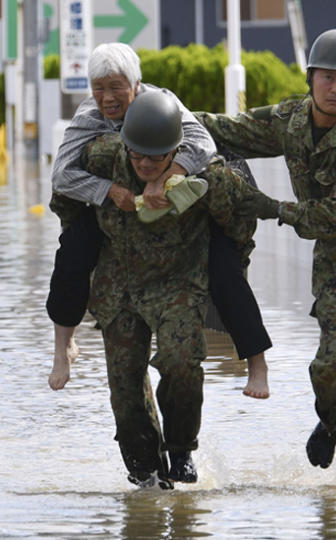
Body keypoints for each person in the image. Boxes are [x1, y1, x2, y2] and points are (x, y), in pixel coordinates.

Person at [194, 28, 336, 487]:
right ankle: (331, 419)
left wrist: (273, 208)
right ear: (311, 77)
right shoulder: (291, 121)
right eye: (328, 78)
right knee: (334, 365)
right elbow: (228, 129)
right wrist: (164, 115)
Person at [52, 90, 260, 488]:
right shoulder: (101, 158)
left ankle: (181, 449)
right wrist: (101, 200)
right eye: (137, 155)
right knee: (126, 389)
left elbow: (239, 219)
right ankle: (146, 474)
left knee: (182, 365)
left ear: (177, 151)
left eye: (157, 157)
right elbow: (64, 195)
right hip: (121, 286)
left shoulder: (204, 175)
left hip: (178, 283)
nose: (146, 164)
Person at [46, 42, 271, 399]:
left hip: (179, 197)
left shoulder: (160, 103)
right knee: (73, 249)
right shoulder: (90, 116)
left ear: (135, 85)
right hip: (116, 205)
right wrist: (108, 190)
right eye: (99, 87)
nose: (107, 97)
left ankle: (257, 364)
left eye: (116, 86)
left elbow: (203, 143)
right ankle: (64, 346)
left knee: (224, 266)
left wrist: (165, 176)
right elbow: (61, 175)